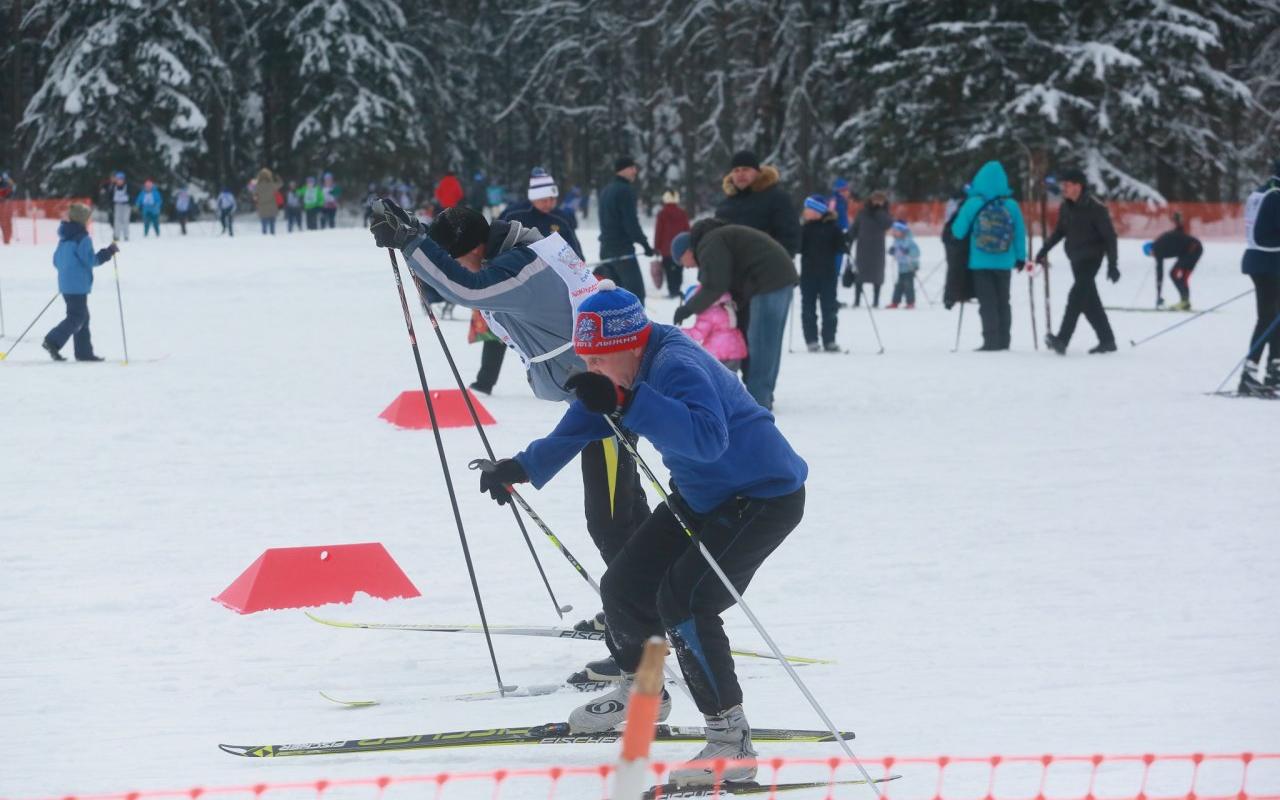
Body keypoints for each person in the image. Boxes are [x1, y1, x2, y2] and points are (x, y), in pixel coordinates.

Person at [481, 281, 808, 784]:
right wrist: (522, 467)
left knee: (687, 601)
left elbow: (708, 439)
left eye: (598, 359)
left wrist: (630, 402)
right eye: (586, 359)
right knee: (623, 587)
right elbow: (583, 420)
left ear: (632, 346)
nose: (591, 368)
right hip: (701, 496)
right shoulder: (623, 369)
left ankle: (731, 743)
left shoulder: (677, 364)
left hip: (761, 497)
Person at [368, 200, 652, 680]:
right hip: (597, 398)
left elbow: (467, 290)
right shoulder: (520, 253)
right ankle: (642, 605)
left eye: (458, 258)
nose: (460, 267)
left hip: (607, 405)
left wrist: (412, 243)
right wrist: (418, 232)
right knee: (626, 515)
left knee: (610, 523)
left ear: (475, 248)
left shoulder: (521, 268)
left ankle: (639, 633)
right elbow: (461, 270)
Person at [672, 219, 798, 410]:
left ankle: (758, 402)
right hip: (778, 278)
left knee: (761, 344)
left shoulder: (709, 243)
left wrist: (688, 308)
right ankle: (763, 396)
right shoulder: (714, 239)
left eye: (682, 262)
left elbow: (715, 285)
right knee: (769, 344)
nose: (687, 267)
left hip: (769, 281)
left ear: (687, 251)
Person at [1037, 168, 1119, 355]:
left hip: (1092, 258)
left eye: (1067, 184)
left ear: (1078, 186)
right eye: (1063, 185)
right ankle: (1107, 341)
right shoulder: (1066, 207)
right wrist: (1043, 251)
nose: (1063, 188)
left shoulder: (1096, 208)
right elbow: (1060, 232)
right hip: (1075, 258)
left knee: (1075, 297)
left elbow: (1110, 237)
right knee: (1089, 302)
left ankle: (1062, 339)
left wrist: (1112, 265)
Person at [949, 162, 1029, 349]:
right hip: (1004, 261)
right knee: (1003, 302)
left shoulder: (972, 204)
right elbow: (1019, 233)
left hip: (980, 262)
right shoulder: (1011, 205)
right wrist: (1020, 258)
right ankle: (1004, 341)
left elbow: (958, 232)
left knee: (987, 303)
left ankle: (990, 340)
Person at [42, 203, 117, 362]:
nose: (89, 221)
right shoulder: (83, 238)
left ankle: (83, 352)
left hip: (66, 284)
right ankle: (52, 341)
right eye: (88, 218)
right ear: (82, 220)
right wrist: (108, 252)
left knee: (83, 317)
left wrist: (67, 273)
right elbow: (91, 260)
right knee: (77, 317)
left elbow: (56, 261)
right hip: (77, 285)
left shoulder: (64, 238)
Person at [1237, 157, 1280, 395]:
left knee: (1274, 317)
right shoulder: (1275, 196)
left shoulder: (1265, 191)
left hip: (1262, 260)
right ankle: (1250, 374)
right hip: (1268, 262)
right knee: (1268, 318)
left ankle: (1274, 370)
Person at [714, 150, 800, 255]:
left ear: (758, 172)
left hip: (766, 262)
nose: (740, 174)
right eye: (736, 170)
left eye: (746, 169)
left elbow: (790, 238)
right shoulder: (724, 205)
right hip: (730, 263)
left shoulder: (777, 198)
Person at [597, 156, 655, 302]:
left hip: (605, 250)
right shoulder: (625, 190)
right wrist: (645, 244)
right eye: (632, 168)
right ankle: (636, 318)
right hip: (622, 252)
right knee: (635, 296)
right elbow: (631, 223)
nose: (635, 171)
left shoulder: (606, 190)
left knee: (613, 297)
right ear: (623, 169)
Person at [500, 167, 584, 259]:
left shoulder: (561, 218)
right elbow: (495, 244)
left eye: (552, 199)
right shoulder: (513, 214)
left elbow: (575, 251)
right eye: (544, 200)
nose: (548, 204)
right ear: (533, 198)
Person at [799, 194, 843, 351]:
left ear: (817, 211)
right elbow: (798, 247)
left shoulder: (833, 228)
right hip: (808, 275)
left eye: (808, 209)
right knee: (808, 308)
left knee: (829, 308)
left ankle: (829, 339)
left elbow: (841, 247)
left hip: (828, 275)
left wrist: (845, 240)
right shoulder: (804, 229)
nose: (805, 211)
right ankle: (811, 340)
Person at [679, 282, 748, 372]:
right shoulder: (726, 305)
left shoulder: (707, 313)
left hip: (718, 354)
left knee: (714, 378)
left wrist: (681, 332)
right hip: (735, 353)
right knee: (729, 378)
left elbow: (698, 334)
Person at [1144, 212, 1202, 310]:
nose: (1153, 256)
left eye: (1150, 254)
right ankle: (1185, 302)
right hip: (1195, 248)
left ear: (1150, 249)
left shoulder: (1157, 248)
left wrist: (1158, 296)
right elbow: (1178, 231)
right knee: (1183, 277)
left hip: (1192, 249)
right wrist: (1178, 221)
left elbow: (1160, 274)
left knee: (1173, 273)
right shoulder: (1161, 242)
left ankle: (1184, 301)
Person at [845, 190, 892, 307]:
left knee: (877, 276)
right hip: (863, 248)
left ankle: (876, 301)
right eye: (876, 200)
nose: (877, 202)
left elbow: (887, 224)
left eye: (880, 200)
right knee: (859, 275)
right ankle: (857, 301)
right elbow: (854, 228)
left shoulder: (885, 213)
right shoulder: (863, 212)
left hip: (878, 250)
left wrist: (879, 211)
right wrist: (848, 241)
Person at [654, 190, 691, 299]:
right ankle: (677, 289)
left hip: (666, 249)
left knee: (669, 271)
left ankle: (672, 291)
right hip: (681, 248)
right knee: (679, 269)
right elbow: (687, 229)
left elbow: (658, 232)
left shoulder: (662, 214)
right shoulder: (682, 213)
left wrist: (656, 247)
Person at [887, 220, 922, 310]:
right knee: (899, 285)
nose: (894, 233)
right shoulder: (896, 241)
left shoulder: (909, 241)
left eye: (896, 231)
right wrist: (892, 251)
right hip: (901, 267)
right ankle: (895, 302)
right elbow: (895, 251)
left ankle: (910, 302)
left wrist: (908, 251)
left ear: (902, 231)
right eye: (894, 231)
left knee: (908, 284)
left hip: (910, 266)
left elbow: (917, 253)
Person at [255, 168, 283, 235]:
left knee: (264, 226)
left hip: (262, 208)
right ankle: (272, 237)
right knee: (272, 226)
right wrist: (278, 178)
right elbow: (281, 184)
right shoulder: (272, 185)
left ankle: (264, 237)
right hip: (272, 207)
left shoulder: (257, 186)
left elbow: (251, 190)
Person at [110, 172, 131, 241]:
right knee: (117, 221)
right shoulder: (113, 187)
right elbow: (110, 196)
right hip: (117, 205)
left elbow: (132, 195)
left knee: (125, 220)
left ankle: (126, 236)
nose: (119, 181)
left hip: (126, 205)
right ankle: (116, 236)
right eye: (118, 179)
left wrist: (131, 202)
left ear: (123, 180)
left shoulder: (127, 186)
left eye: (121, 179)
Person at [1, 171, 18, 244]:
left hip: (5, 204)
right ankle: (6, 238)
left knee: (6, 222)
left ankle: (7, 238)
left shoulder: (7, 183)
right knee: (4, 222)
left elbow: (11, 191)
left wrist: (7, 198)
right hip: (3, 204)